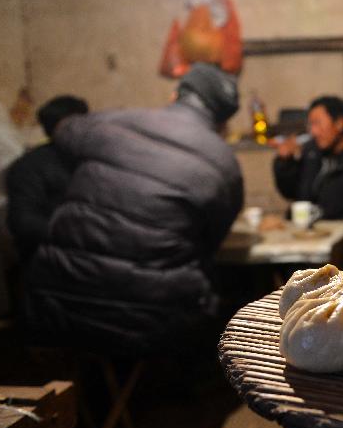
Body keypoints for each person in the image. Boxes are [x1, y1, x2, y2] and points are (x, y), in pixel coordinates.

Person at [24, 63, 243, 355]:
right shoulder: (224, 164)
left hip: (54, 299)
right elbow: (210, 242)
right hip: (150, 317)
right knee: (213, 288)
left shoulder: (115, 122)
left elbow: (64, 131)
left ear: (174, 93)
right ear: (222, 121)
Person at [271, 95, 343, 267]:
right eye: (310, 125)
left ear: (339, 123)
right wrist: (285, 162)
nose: (313, 132)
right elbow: (291, 191)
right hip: (307, 241)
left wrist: (325, 225)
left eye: (318, 123)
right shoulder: (311, 152)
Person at [5, 95, 89, 263]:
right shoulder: (29, 167)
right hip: (53, 262)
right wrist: (78, 236)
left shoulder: (93, 157)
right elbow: (23, 222)